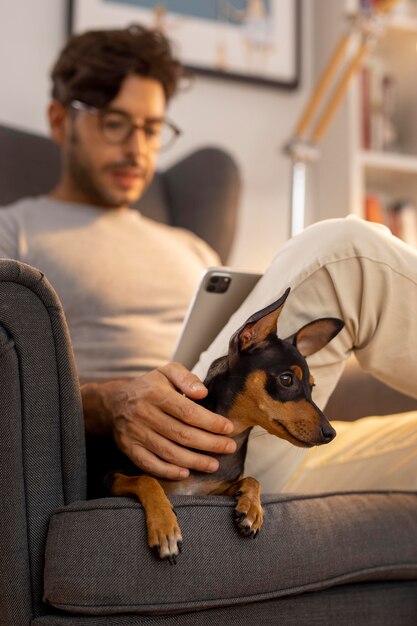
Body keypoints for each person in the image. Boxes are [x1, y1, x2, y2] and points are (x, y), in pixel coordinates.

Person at [1, 24, 417, 495]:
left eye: (153, 129)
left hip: (253, 450)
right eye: (115, 123)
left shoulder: (191, 246)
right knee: (342, 257)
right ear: (60, 121)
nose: (137, 148)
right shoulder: (15, 230)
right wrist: (104, 403)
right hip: (152, 458)